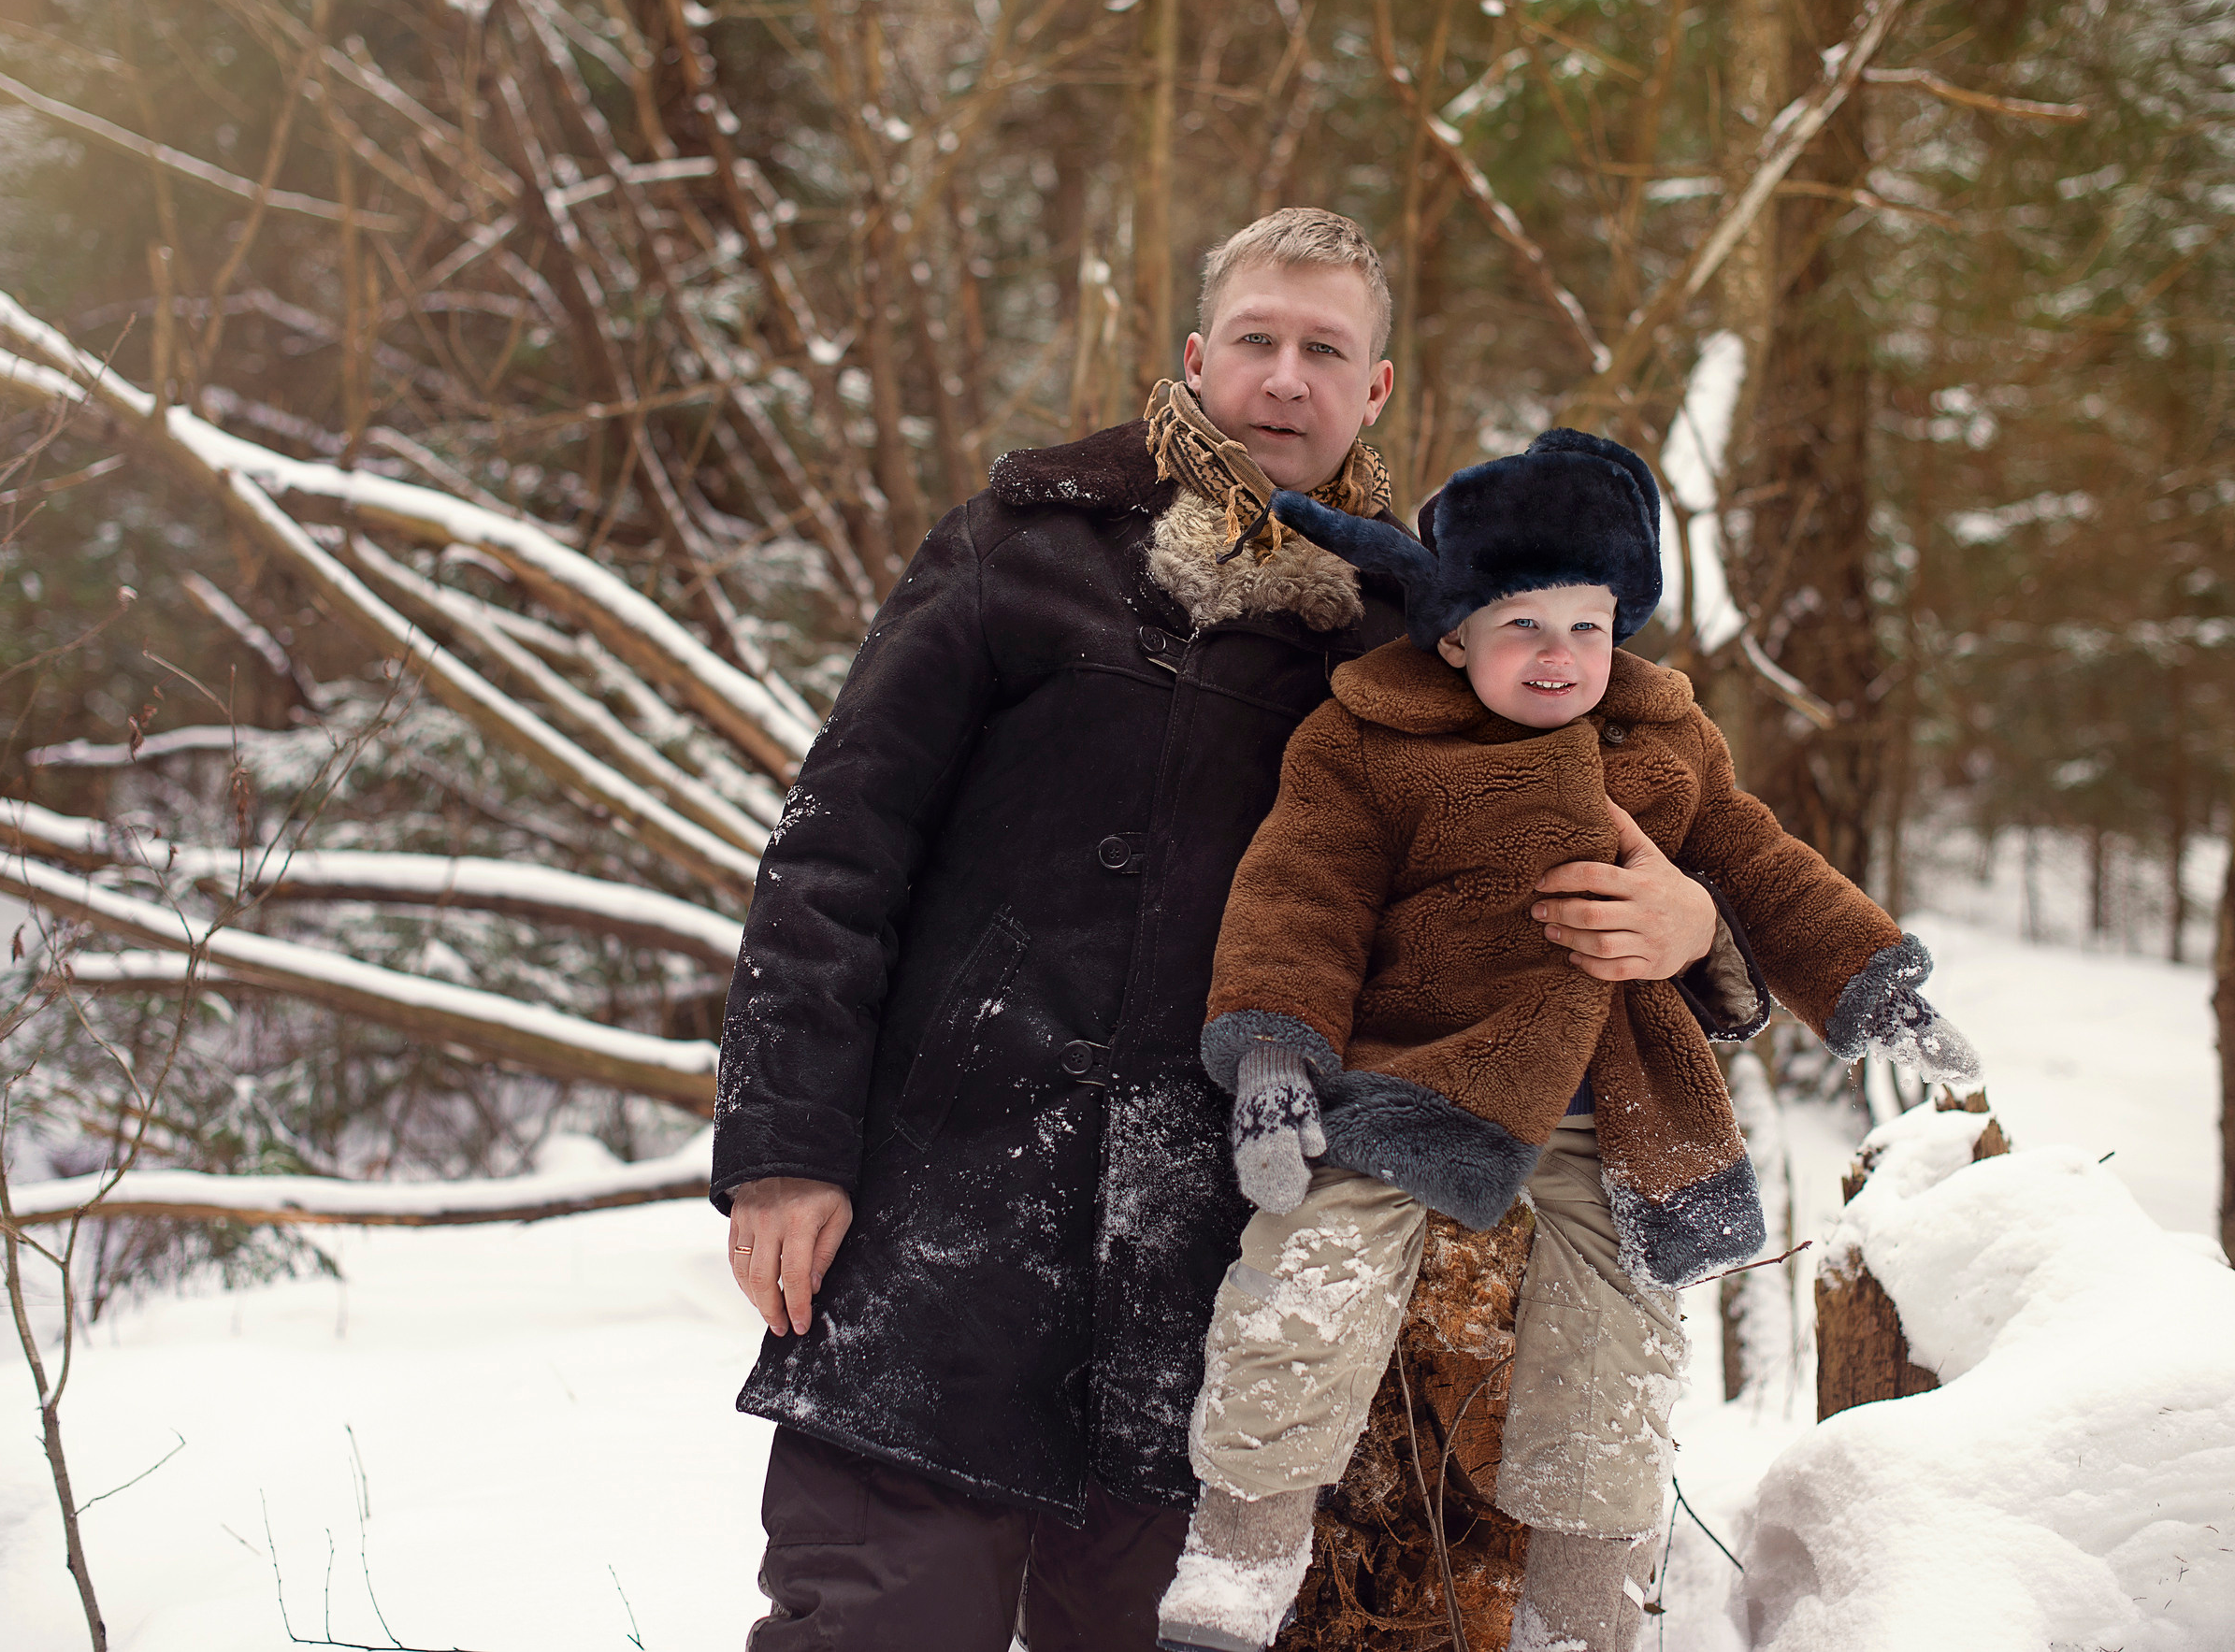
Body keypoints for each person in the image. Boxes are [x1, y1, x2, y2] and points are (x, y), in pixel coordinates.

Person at [709, 209, 1752, 1651]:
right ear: (1198, 358)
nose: (1284, 377)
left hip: (1213, 1260)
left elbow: (1609, 842)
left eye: (1324, 349)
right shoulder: (1024, 542)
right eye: (1257, 339)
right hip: (940, 1218)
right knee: (877, 1624)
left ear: (1375, 388)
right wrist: (784, 1147)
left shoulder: (1432, 635)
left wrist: (1696, 925)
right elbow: (835, 851)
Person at [1151, 431, 1982, 1652]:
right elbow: (1299, 899)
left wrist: (1870, 984)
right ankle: (1235, 1569)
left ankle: (1579, 1623)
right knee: (1307, 1287)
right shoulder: (1368, 742)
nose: (1560, 656)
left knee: (1619, 1353)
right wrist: (1277, 1058)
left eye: (1587, 625)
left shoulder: (1667, 745)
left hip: (1619, 1105)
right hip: (1418, 1085)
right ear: (1454, 635)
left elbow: (1767, 871)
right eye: (1523, 625)